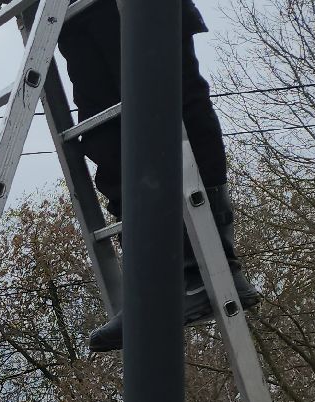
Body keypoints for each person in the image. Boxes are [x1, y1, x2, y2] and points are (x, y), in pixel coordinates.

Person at [53, 0, 261, 352]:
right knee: (106, 133)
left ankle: (205, 268)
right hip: (74, 13)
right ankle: (148, 287)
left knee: (171, 102)